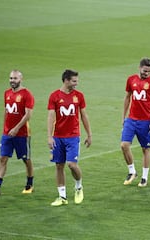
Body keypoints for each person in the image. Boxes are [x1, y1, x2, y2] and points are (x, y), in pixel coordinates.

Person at [0, 70, 35, 195]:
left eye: (15, 78)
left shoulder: (27, 94)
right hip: (7, 134)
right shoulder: (7, 93)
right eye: (11, 78)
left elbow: (28, 115)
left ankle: (29, 184)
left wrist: (16, 128)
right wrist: (4, 129)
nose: (12, 80)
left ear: (21, 79)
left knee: (26, 159)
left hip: (22, 134)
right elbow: (6, 112)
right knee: (2, 158)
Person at [47, 69, 92, 206]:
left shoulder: (79, 96)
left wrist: (89, 134)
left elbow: (84, 115)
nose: (76, 84)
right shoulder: (54, 96)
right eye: (74, 81)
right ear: (66, 80)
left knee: (72, 165)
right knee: (59, 166)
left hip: (73, 137)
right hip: (58, 137)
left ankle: (78, 186)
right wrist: (49, 136)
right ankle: (62, 197)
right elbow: (50, 117)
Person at [121, 57, 150, 187]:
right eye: (145, 71)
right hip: (131, 119)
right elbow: (127, 98)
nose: (147, 73)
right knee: (124, 145)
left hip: (145, 121)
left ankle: (144, 177)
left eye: (149, 71)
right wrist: (123, 117)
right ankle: (132, 171)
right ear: (139, 68)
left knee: (145, 149)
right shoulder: (131, 79)